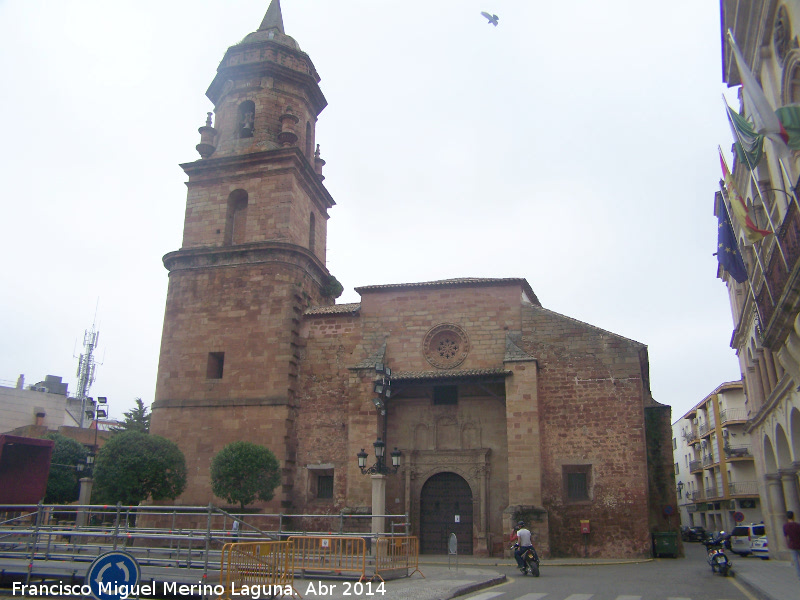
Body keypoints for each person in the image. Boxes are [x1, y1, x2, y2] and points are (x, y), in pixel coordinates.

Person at [784, 511, 800, 580]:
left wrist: (787, 545)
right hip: (799, 544)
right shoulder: (797, 525)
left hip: (792, 545)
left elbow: (786, 537)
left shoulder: (785, 526)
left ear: (787, 517)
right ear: (793, 516)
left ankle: (799, 574)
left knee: (795, 560)